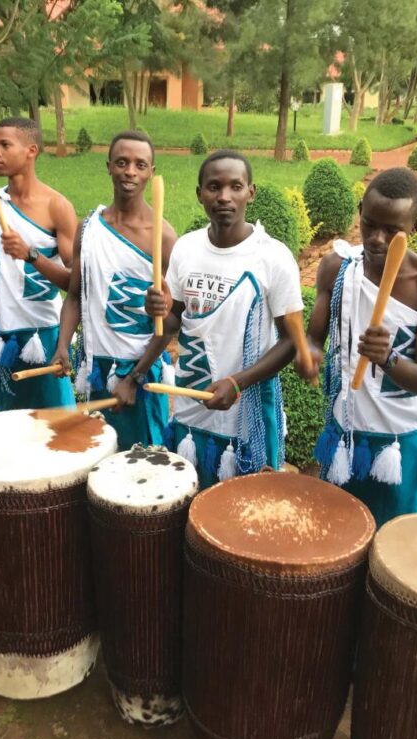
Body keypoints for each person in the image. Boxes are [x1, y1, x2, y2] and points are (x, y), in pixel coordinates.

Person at [301, 167, 417, 528]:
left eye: (393, 230)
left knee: (398, 543)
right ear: (360, 211)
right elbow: (314, 339)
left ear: (415, 228)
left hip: (401, 440)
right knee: (339, 535)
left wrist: (388, 358)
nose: (377, 239)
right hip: (347, 429)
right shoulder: (337, 267)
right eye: (369, 224)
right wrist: (309, 353)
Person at [139, 150, 303, 489]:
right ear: (199, 194)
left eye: (235, 186)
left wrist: (239, 382)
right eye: (214, 187)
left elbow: (291, 342)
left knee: (247, 513)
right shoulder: (186, 248)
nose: (224, 196)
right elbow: (174, 320)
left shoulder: (272, 257)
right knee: (188, 500)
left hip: (246, 413)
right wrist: (156, 312)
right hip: (190, 404)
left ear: (251, 193)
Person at [50, 131, 177, 449]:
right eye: (122, 162)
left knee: (147, 465)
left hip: (139, 370)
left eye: (140, 164)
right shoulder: (89, 227)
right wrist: (63, 344)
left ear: (151, 171)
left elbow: (170, 321)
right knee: (102, 456)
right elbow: (76, 295)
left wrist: (134, 377)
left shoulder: (162, 236)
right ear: (109, 167)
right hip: (97, 366)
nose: (130, 171)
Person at [0, 117, 78, 410]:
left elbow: (75, 282)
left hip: (44, 333)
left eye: (5, 145)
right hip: (0, 333)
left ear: (31, 151)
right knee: (10, 422)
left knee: (55, 424)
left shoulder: (56, 206)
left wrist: (31, 255)